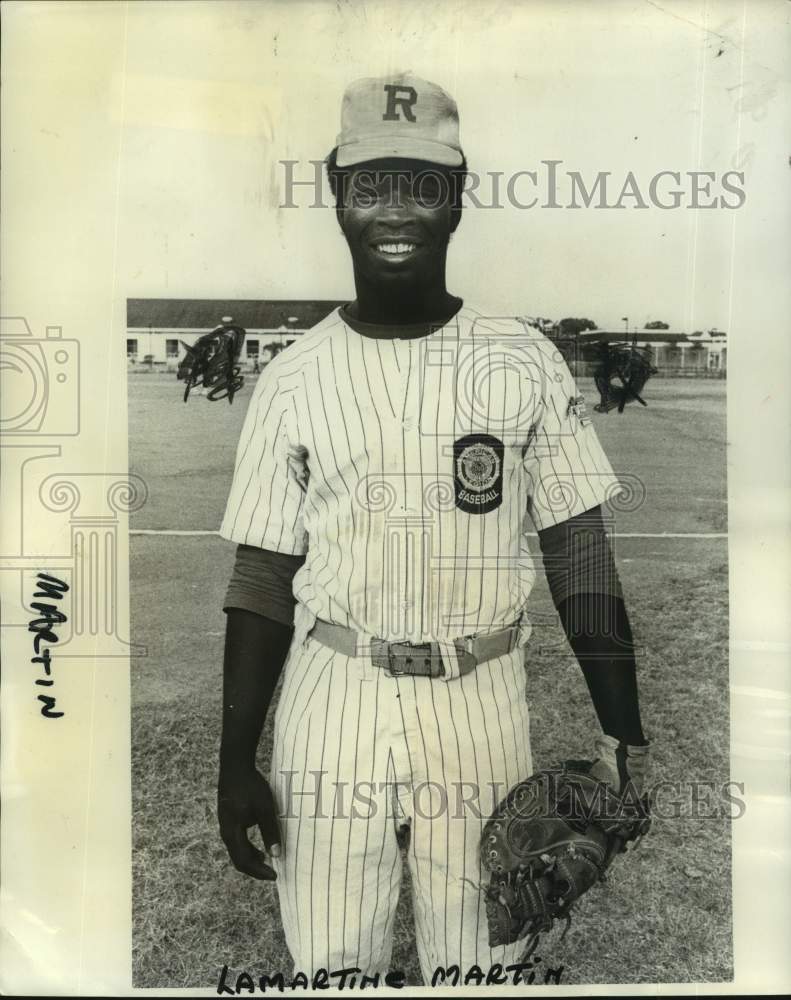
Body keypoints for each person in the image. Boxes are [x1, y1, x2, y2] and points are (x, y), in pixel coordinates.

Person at [217, 72, 648, 983]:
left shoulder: (521, 358)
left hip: (479, 692)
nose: (395, 210)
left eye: (423, 183)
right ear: (337, 193)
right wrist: (234, 759)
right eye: (371, 184)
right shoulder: (292, 377)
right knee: (331, 959)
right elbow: (261, 578)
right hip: (333, 692)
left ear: (458, 197)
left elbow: (580, 560)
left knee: (485, 953)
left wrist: (623, 740)